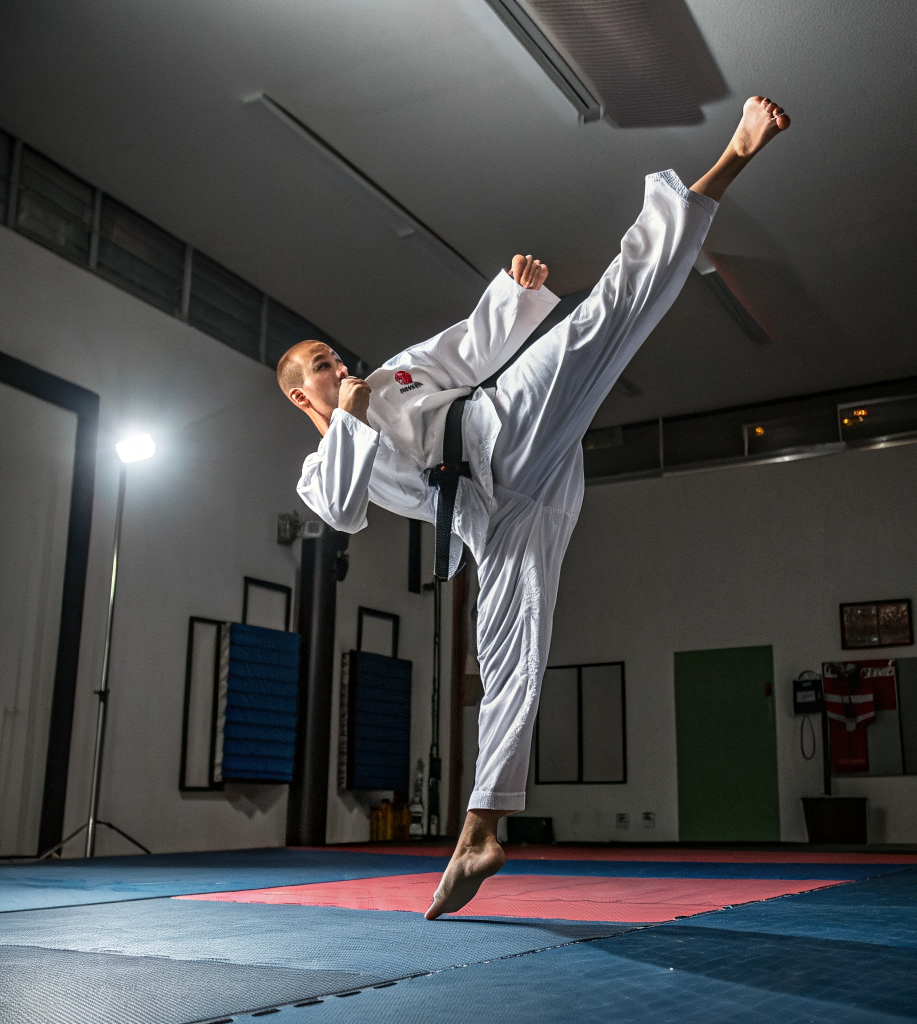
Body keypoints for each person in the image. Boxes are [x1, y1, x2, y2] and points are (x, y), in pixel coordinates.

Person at [278, 96, 791, 919]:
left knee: (604, 317)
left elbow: (465, 350)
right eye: (319, 365)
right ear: (301, 395)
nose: (336, 364)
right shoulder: (324, 461)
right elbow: (341, 512)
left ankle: (729, 159)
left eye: (332, 354)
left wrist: (512, 299)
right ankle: (480, 830)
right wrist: (348, 419)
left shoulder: (394, 375)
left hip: (497, 431)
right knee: (508, 654)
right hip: (492, 516)